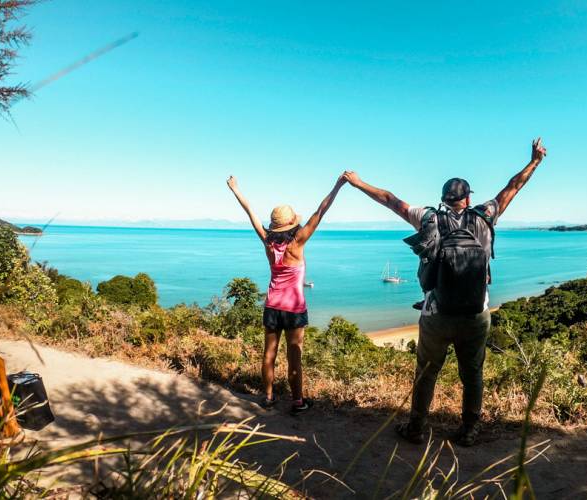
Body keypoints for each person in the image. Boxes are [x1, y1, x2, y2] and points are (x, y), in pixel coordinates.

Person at [343, 138, 547, 445]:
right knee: (472, 374)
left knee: (426, 373)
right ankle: (469, 429)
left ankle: (416, 428)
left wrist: (357, 183)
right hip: (476, 314)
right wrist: (534, 161)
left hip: (436, 314)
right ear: (467, 199)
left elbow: (389, 199)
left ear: (442, 199)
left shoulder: (427, 217)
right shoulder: (485, 215)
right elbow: (512, 187)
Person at [226, 174, 347, 415]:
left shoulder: (268, 243)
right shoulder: (298, 243)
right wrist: (338, 185)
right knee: (294, 358)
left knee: (268, 353)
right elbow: (320, 212)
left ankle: (268, 397)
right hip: (294, 310)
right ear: (293, 223)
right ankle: (298, 401)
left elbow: (250, 212)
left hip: (272, 306)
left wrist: (235, 189)